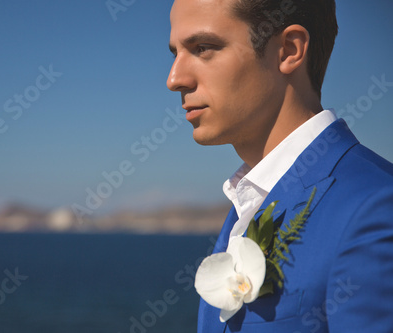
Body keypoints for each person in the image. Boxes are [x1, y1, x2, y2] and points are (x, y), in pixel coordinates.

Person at [166, 0, 393, 332]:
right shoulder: (248, 204)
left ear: (289, 50)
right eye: (175, 53)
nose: (175, 79)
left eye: (203, 48)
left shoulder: (374, 209)